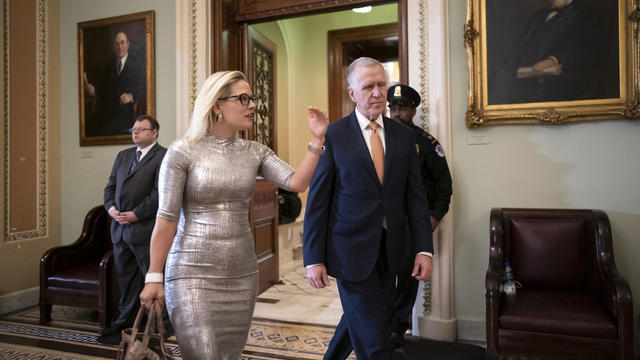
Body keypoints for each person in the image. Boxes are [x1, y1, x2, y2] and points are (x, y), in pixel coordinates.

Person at [139, 71, 328, 359]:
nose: (252, 105)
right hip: (191, 272)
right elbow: (167, 218)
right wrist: (154, 274)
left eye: (253, 98)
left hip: (241, 274)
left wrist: (316, 140)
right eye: (243, 98)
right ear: (217, 104)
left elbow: (296, 182)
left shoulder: (255, 152)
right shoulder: (183, 151)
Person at [303, 57, 433, 359]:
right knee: (375, 343)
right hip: (349, 252)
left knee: (364, 320)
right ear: (352, 94)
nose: (377, 93)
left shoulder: (403, 135)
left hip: (392, 252)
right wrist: (313, 258)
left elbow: (415, 197)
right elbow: (318, 200)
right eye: (368, 87)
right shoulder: (333, 136)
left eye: (381, 85)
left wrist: (423, 249)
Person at [386, 84, 453, 348]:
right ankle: (378, 328)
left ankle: (397, 330)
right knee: (380, 278)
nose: (396, 114)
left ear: (413, 111)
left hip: (413, 224)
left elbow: (444, 187)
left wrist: (431, 221)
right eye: (393, 108)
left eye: (401, 109)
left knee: (406, 280)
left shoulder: (426, 144)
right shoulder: (379, 137)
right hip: (384, 223)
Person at [101, 115, 167, 341]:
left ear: (154, 132)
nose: (135, 133)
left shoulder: (164, 156)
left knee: (152, 280)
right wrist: (111, 210)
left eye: (141, 129)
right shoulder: (123, 156)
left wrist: (137, 214)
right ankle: (124, 323)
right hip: (119, 230)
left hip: (146, 230)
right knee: (126, 279)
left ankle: (157, 327)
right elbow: (109, 187)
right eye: (133, 129)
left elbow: (160, 193)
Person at [491, 0, 606, 104]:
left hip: (557, 90)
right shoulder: (537, 16)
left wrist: (554, 60)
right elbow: (517, 48)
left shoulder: (588, 15)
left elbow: (591, 52)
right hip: (520, 85)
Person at [86, 30, 145, 136]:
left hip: (126, 113)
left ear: (128, 44)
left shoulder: (136, 64)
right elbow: (104, 89)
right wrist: (94, 89)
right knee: (90, 126)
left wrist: (131, 96)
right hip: (108, 111)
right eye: (117, 44)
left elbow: (144, 86)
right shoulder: (110, 64)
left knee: (105, 130)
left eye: (122, 43)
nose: (120, 47)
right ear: (114, 46)